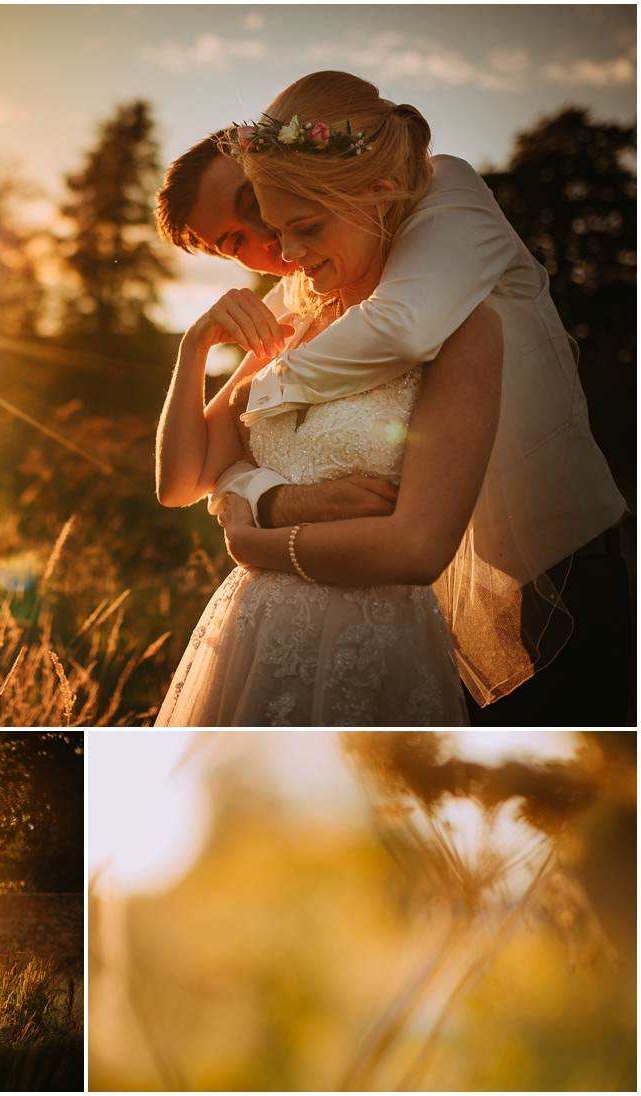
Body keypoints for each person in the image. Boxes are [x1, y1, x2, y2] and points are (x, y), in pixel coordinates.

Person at [155, 71, 629, 725]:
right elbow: (186, 478)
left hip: (545, 558)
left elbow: (401, 328)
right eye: (237, 240)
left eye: (250, 200)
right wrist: (195, 351)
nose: (267, 232)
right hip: (394, 597)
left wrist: (260, 499)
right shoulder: (302, 294)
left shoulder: (444, 195)